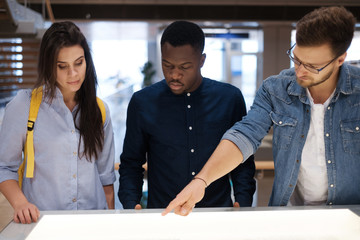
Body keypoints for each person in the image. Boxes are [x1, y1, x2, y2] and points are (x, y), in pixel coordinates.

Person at [162, 6, 360, 216]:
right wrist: (202, 181)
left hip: (350, 215)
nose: (300, 71)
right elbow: (245, 135)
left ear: (340, 59)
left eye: (312, 66)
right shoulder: (276, 89)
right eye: (297, 59)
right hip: (289, 216)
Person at [119, 21, 256, 210]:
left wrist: (243, 201)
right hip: (163, 214)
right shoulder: (142, 102)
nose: (174, 75)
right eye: (167, 65)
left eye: (184, 67)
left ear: (202, 60)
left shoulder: (229, 99)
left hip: (217, 213)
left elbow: (243, 161)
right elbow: (131, 163)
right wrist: (130, 204)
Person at [0, 21, 116, 224]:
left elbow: (105, 177)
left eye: (79, 63)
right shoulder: (24, 106)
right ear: (48, 66)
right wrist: (20, 204)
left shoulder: (100, 110)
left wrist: (110, 221)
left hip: (93, 221)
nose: (73, 74)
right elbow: (4, 167)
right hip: (44, 223)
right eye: (62, 66)